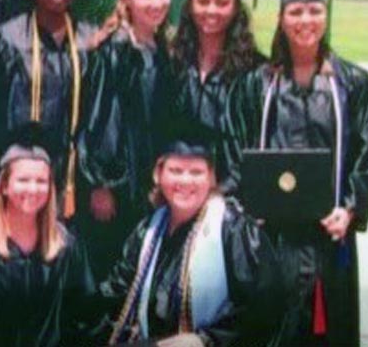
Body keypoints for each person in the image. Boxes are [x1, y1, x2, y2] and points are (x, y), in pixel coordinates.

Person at [221, 0, 368, 346]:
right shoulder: (256, 84)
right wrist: (247, 205)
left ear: (327, 15)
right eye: (295, 12)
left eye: (314, 10)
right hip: (270, 236)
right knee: (268, 327)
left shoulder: (355, 84)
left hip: (328, 238)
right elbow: (234, 147)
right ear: (281, 18)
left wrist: (351, 209)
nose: (305, 20)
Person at [100, 134, 280, 347]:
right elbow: (116, 292)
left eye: (197, 172)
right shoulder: (147, 231)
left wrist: (206, 340)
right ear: (158, 174)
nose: (185, 181)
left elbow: (265, 309)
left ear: (211, 178)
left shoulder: (234, 230)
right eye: (175, 170)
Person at [0, 0, 103, 223]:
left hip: (75, 179)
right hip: (19, 175)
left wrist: (101, 180)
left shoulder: (92, 40)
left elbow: (101, 117)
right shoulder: (5, 39)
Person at [0, 123, 97, 347]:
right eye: (23, 180)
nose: (33, 189)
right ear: (4, 186)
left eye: (41, 181)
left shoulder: (65, 245)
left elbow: (84, 320)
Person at [78, 0, 178, 280]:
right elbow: (95, 121)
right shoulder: (113, 52)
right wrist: (100, 184)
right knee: (110, 265)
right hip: (118, 186)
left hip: (149, 183)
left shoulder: (162, 51)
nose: (157, 2)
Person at [169, 0, 267, 187]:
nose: (211, 10)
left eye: (222, 3)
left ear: (235, 9)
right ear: (190, 5)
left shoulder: (255, 72)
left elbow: (257, 143)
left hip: (232, 197)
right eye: (203, 1)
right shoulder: (173, 62)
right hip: (179, 193)